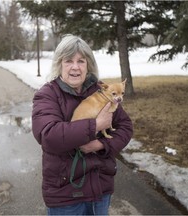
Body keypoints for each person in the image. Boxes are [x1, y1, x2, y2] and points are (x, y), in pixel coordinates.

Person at [32, 34, 133, 215]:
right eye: (68, 61)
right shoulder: (47, 94)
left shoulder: (102, 93)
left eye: (81, 61)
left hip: (100, 191)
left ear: (89, 65)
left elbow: (125, 126)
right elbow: (49, 136)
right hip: (65, 195)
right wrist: (94, 125)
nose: (75, 67)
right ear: (59, 64)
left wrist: (102, 144)